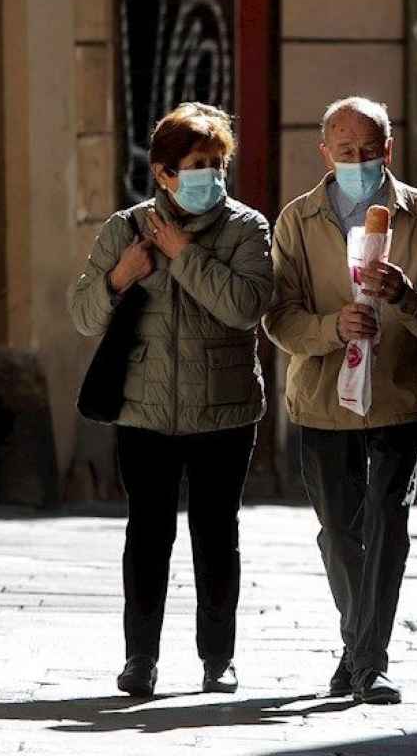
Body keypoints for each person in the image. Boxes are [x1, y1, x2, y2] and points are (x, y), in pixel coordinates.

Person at [264, 96, 417, 705]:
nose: (358, 161)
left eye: (369, 151)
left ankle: (368, 660)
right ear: (325, 152)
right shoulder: (298, 221)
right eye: (345, 151)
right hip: (324, 398)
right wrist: (334, 328)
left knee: (387, 520)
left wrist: (405, 295)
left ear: (389, 150)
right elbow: (279, 317)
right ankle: (359, 646)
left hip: (400, 396)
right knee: (338, 531)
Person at [68, 102, 273, 697]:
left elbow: (243, 306)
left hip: (225, 411)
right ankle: (140, 659)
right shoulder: (124, 230)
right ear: (163, 173)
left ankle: (218, 658)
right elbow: (82, 316)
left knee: (217, 535)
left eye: (216, 163)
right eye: (195, 164)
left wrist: (184, 253)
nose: (209, 174)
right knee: (147, 535)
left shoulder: (246, 229)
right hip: (144, 410)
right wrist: (119, 276)